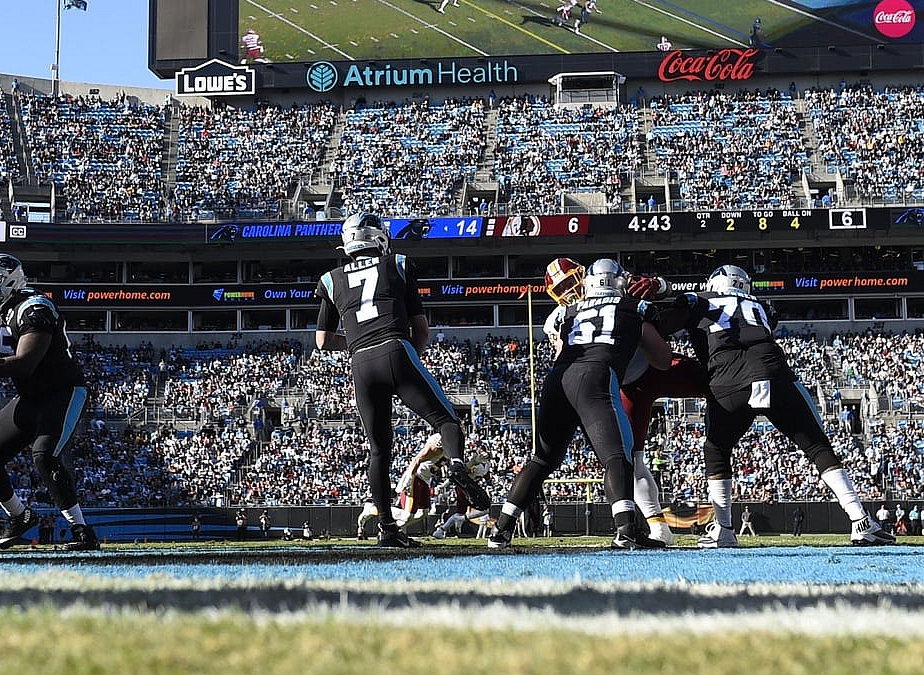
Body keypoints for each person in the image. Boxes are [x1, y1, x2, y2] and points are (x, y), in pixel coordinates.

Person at [645, 265, 893, 548]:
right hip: (774, 373)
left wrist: (656, 300)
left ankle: (724, 529)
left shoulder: (697, 299)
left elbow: (661, 326)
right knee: (817, 446)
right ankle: (860, 519)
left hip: (728, 379)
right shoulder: (761, 306)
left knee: (717, 450)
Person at [313, 212, 491, 548]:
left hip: (361, 364)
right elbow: (420, 329)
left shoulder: (331, 279)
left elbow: (322, 340)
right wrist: (409, 360)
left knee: (379, 451)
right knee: (447, 422)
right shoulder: (397, 263)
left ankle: (387, 529)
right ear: (377, 238)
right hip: (395, 348)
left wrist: (354, 342)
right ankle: (455, 466)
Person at [490, 259, 671, 551]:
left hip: (558, 379)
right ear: (620, 281)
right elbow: (662, 359)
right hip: (596, 376)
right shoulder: (634, 306)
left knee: (542, 460)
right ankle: (626, 530)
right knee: (616, 455)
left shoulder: (567, 311)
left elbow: (562, 350)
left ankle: (500, 530)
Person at [0, 253, 99, 552]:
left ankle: (82, 531)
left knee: (44, 455)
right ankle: (20, 517)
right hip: (31, 396)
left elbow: (24, 363)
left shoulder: (35, 308)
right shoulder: (3, 307)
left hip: (63, 392)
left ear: (8, 284)